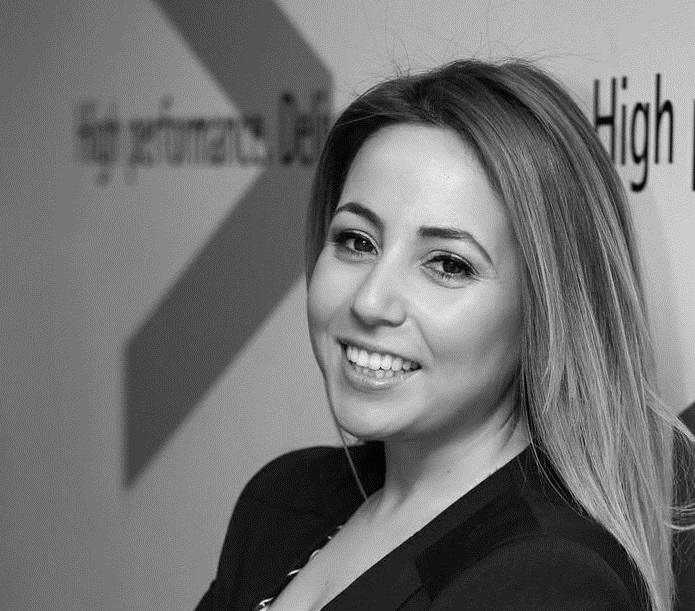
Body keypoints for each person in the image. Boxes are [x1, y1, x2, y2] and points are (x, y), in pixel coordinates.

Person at [195, 59, 695, 611]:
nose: (369, 301)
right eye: (357, 241)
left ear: (548, 310)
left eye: (448, 265)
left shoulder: (546, 580)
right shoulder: (284, 501)